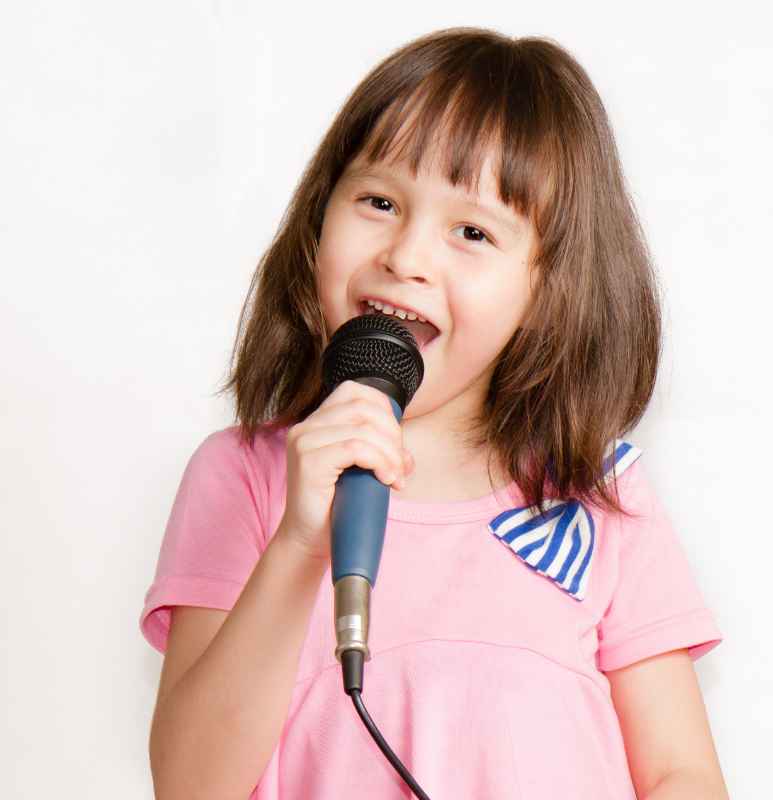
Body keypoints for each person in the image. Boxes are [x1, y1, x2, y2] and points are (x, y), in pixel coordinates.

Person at [139, 27, 729, 800]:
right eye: (379, 201)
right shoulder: (244, 476)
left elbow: (680, 772)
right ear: (320, 217)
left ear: (547, 293)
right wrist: (296, 546)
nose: (407, 256)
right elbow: (190, 785)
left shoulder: (600, 492)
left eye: (473, 231)